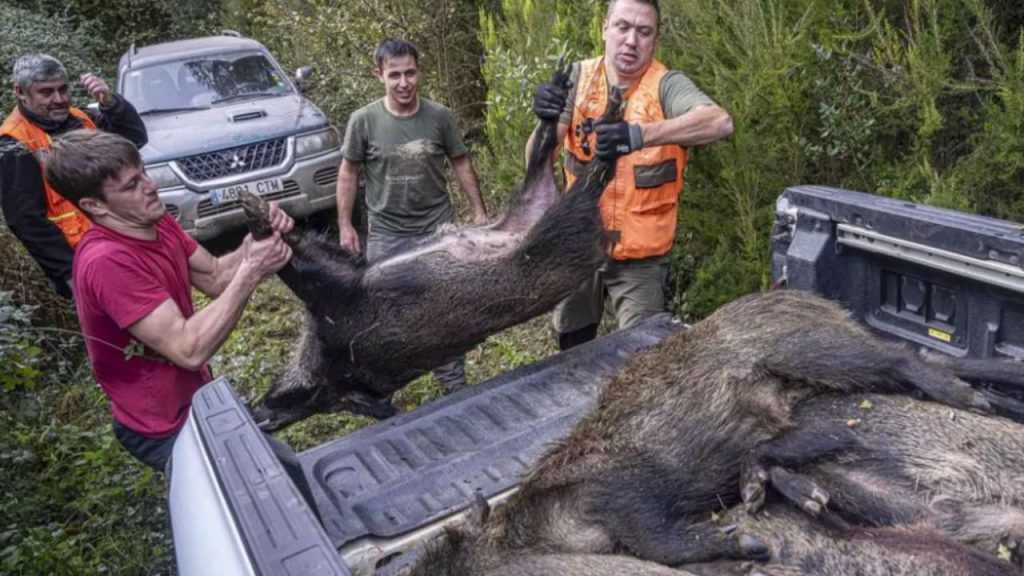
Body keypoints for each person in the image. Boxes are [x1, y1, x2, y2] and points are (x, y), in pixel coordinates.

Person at [44, 129, 292, 474]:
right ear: (93, 206)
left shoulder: (155, 221)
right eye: (132, 185)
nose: (151, 186)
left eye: (143, 172)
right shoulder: (107, 261)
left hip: (193, 399)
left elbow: (218, 277)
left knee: (280, 469)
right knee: (260, 486)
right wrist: (251, 271)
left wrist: (256, 244)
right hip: (160, 424)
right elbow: (189, 349)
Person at [532, 0, 734, 350]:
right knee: (570, 344)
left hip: (641, 259)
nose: (631, 41)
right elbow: (536, 163)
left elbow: (720, 122)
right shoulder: (578, 79)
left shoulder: (667, 85)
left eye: (644, 32)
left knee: (641, 357)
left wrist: (639, 135)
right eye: (622, 27)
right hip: (579, 244)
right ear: (604, 29)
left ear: (655, 41)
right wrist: (545, 123)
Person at [336, 38, 488, 392]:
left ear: (419, 72)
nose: (404, 83)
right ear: (380, 76)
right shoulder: (363, 122)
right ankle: (389, 389)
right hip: (388, 235)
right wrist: (345, 224)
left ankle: (454, 386)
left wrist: (479, 211)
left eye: (410, 73)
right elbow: (348, 173)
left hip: (438, 232)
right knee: (387, 316)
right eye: (395, 75)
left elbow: (461, 162)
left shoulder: (440, 117)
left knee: (444, 312)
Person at [1, 53, 148, 299]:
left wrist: (111, 103)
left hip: (126, 243)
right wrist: (72, 274)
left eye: (63, 89)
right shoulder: (13, 142)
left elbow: (135, 139)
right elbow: (26, 221)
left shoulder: (82, 118)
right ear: (20, 92)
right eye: (46, 92)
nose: (59, 99)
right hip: (83, 262)